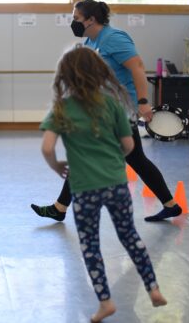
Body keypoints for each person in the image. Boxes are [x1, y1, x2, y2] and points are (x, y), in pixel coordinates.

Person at [41, 46, 167, 322]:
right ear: (99, 71)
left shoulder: (61, 108)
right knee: (130, 237)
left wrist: (57, 166)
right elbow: (129, 145)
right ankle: (154, 289)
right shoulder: (111, 103)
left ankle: (106, 302)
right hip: (116, 184)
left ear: (64, 76)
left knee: (90, 245)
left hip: (84, 189)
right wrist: (112, 161)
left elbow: (48, 147)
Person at [31, 0, 181, 222]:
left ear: (91, 19)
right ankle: (170, 205)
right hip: (103, 110)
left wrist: (142, 101)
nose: (73, 23)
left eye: (76, 19)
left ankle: (60, 207)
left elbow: (137, 67)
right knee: (137, 159)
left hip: (120, 110)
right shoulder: (91, 44)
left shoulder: (114, 38)